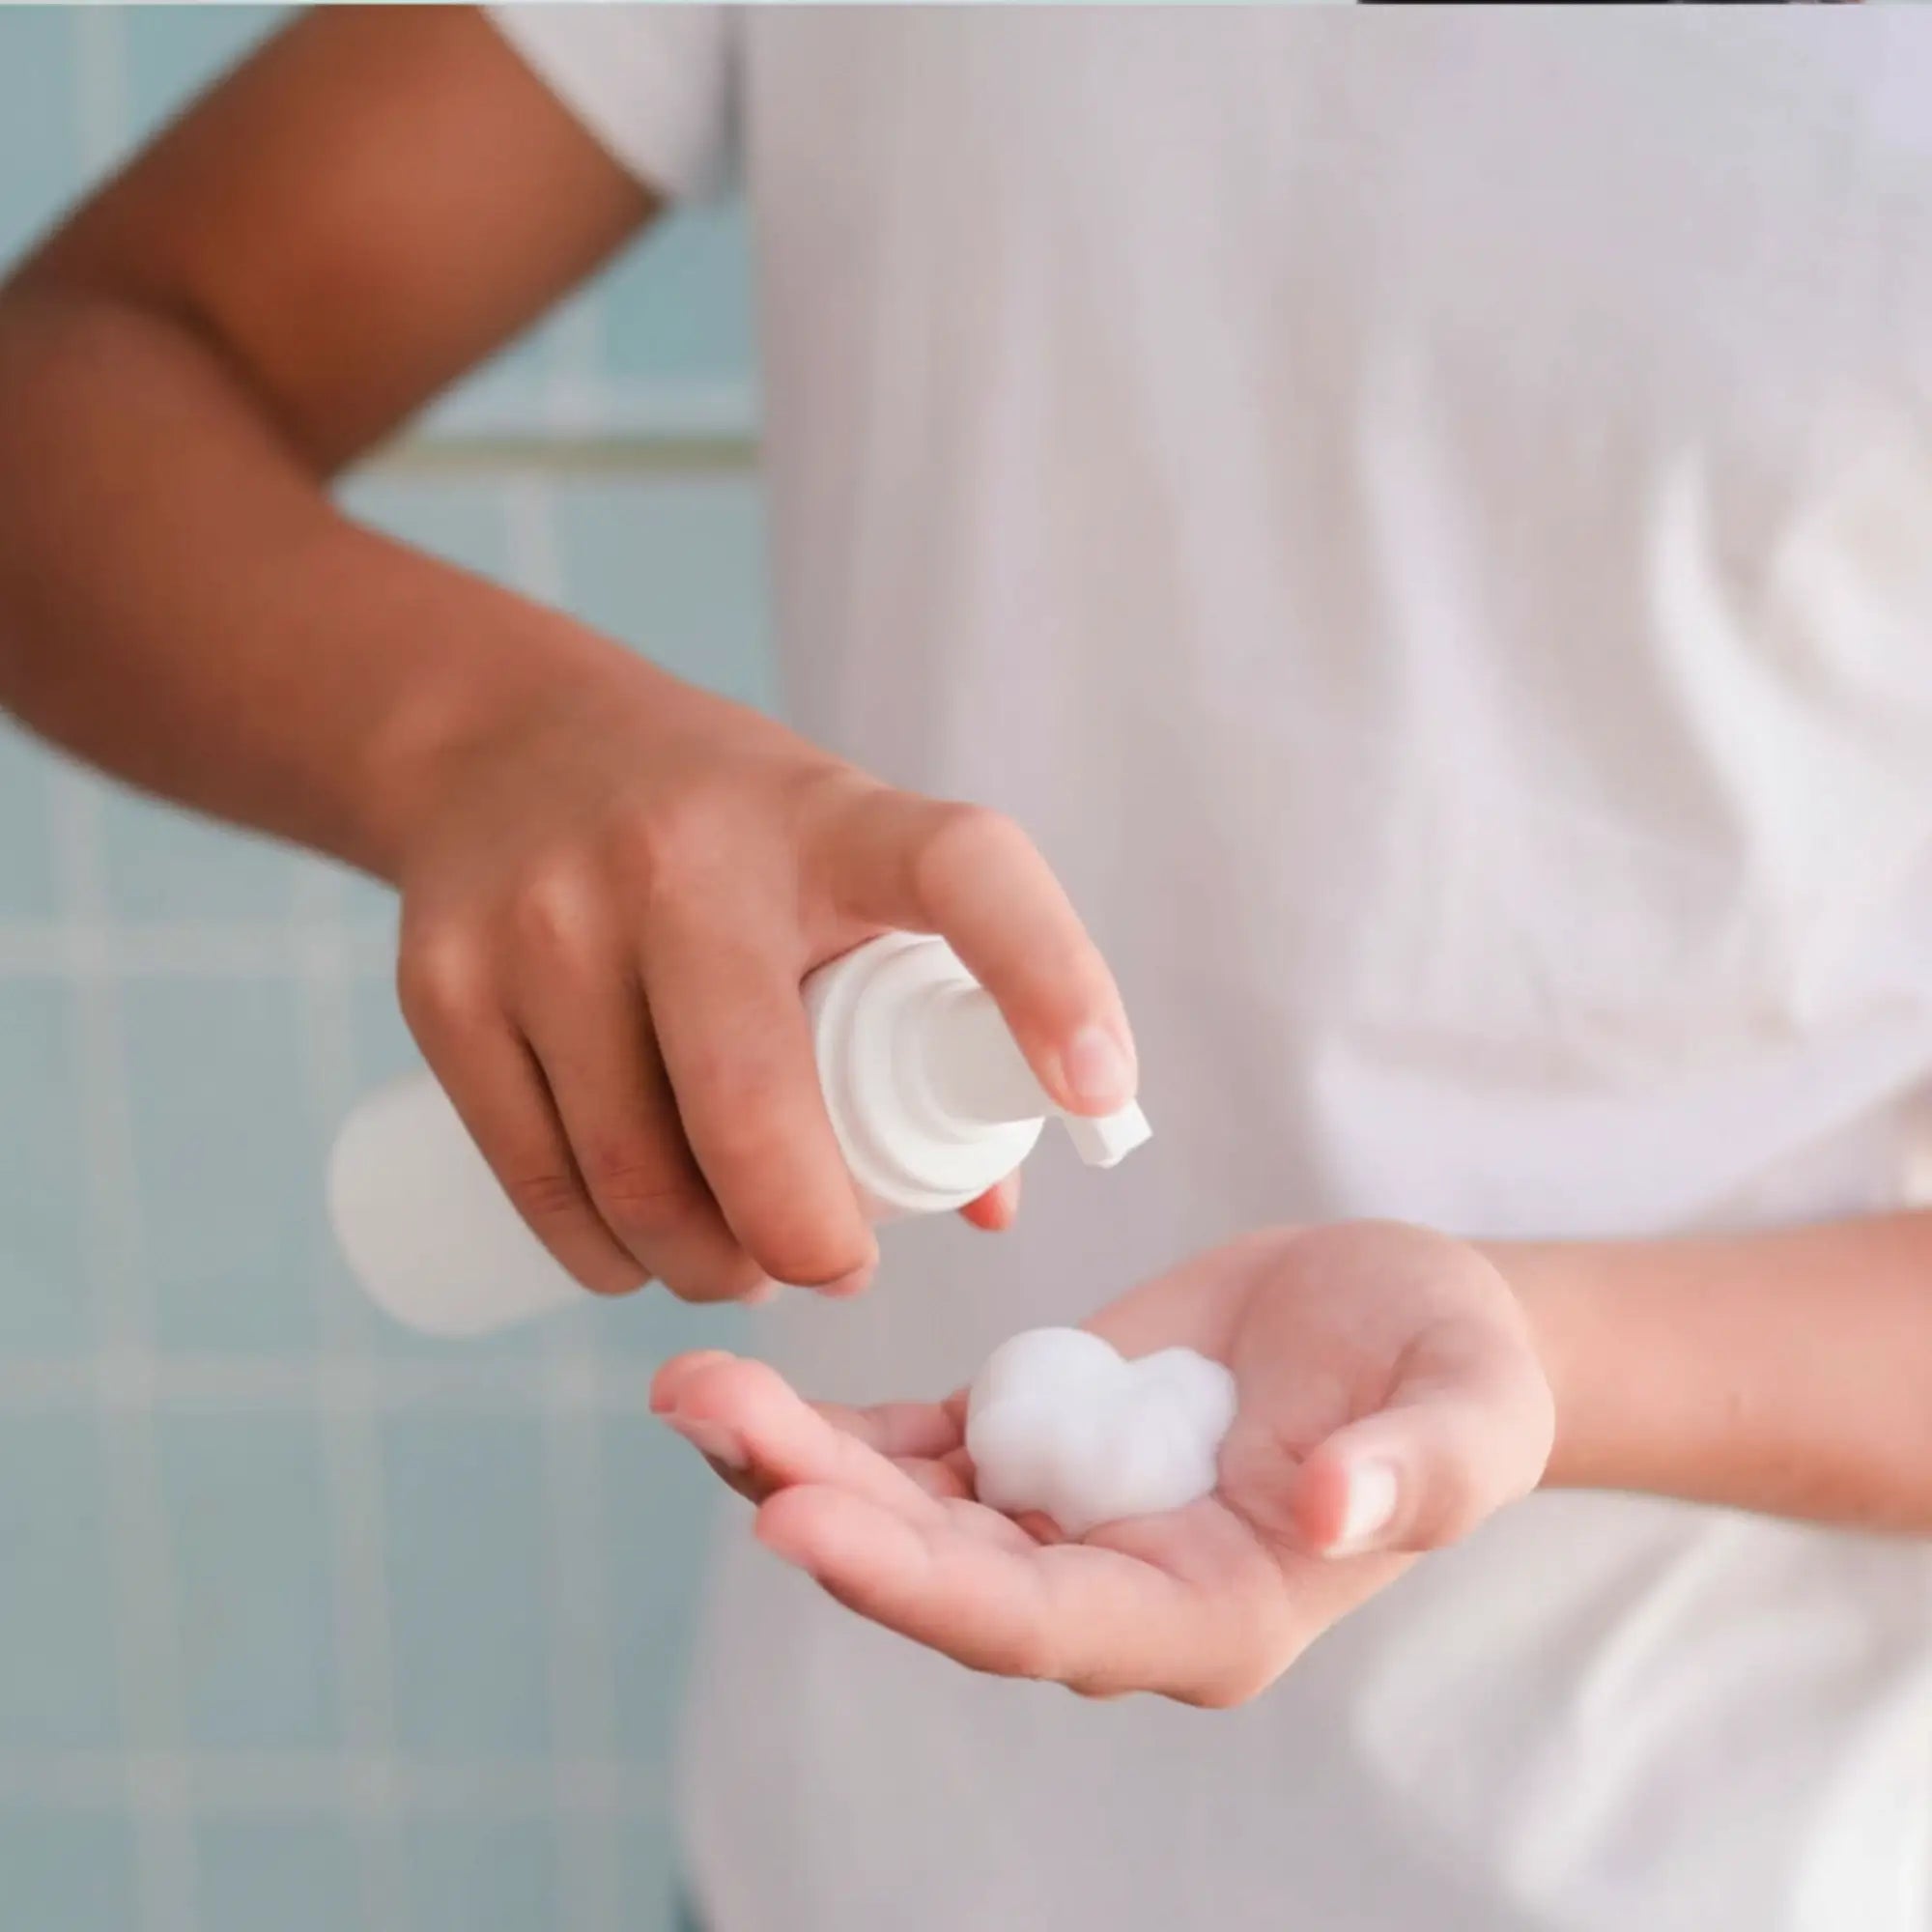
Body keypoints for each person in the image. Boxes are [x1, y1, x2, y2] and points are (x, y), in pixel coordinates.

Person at [1, 7, 1929, 1927]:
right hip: (857, 1850)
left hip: (1682, 1854)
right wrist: (491, 741)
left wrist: (1540, 1358)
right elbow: (73, 385)